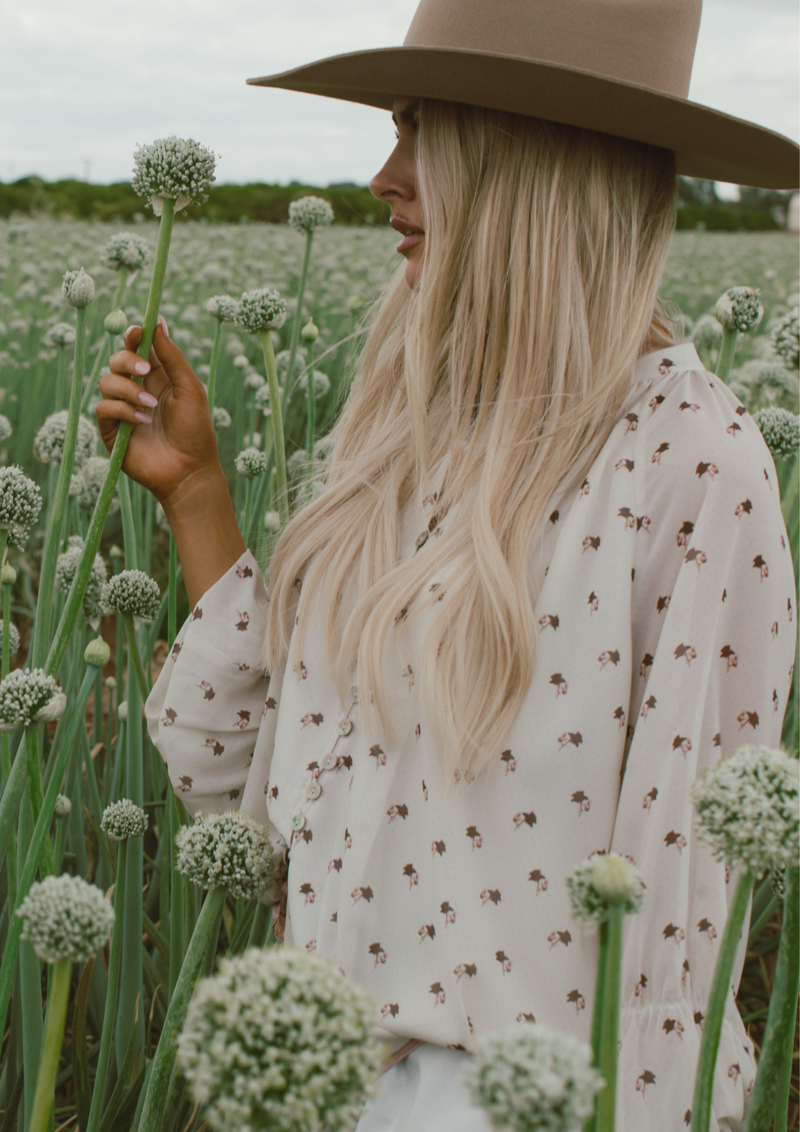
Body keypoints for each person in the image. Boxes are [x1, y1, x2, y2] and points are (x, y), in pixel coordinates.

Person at [96, 1, 798, 1129]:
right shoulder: (414, 422)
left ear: (531, 156)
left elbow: (674, 922)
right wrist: (196, 497)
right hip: (313, 1084)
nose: (385, 175)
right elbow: (249, 787)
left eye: (424, 129)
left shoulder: (694, 466)